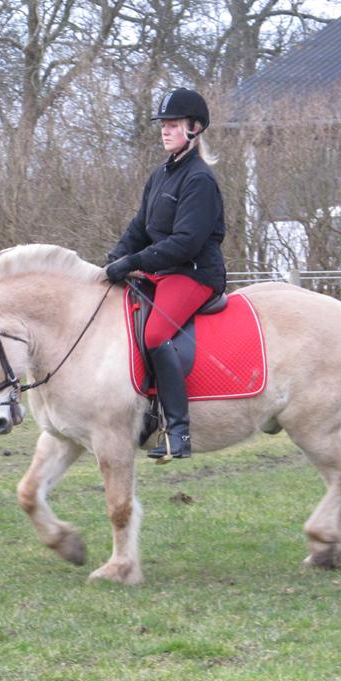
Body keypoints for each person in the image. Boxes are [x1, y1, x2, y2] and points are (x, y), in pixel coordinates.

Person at [104, 88, 226, 460]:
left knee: (156, 333)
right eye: (163, 125)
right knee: (127, 320)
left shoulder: (199, 181)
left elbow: (186, 243)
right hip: (163, 272)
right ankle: (144, 412)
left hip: (194, 275)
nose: (165, 130)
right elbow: (139, 226)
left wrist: (135, 261)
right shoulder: (160, 176)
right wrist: (114, 259)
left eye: (172, 124)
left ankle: (177, 431)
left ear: (195, 128)